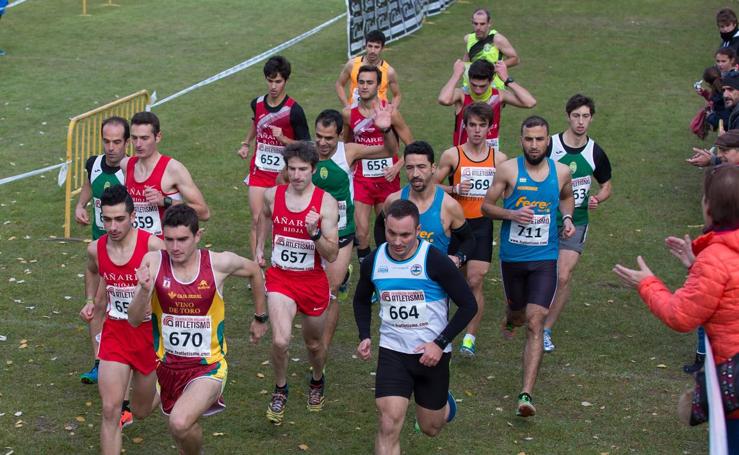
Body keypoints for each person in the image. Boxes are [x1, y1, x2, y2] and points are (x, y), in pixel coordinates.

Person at [613, 165, 739, 454]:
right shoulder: (714, 259)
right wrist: (697, 265)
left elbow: (680, 315)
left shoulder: (715, 260)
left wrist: (647, 284)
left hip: (735, 389)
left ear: (710, 207)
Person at [128, 204, 268, 454]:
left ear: (198, 236)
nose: (175, 247)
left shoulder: (218, 264)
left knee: (180, 423)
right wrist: (143, 290)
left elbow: (255, 271)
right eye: (168, 240)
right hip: (165, 364)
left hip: (207, 366)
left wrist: (260, 317)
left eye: (182, 239)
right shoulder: (153, 262)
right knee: (138, 411)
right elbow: (134, 320)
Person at [353, 199, 477, 454]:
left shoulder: (434, 261)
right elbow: (361, 300)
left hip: (431, 355)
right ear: (385, 227)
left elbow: (468, 305)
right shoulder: (374, 261)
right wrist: (364, 335)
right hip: (393, 352)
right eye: (392, 233)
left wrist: (439, 344)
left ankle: (445, 406)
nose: (398, 242)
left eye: (405, 235)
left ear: (418, 230)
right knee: (388, 423)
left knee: (431, 427)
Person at [481, 116, 575, 416]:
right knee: (518, 314)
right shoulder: (508, 170)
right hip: (513, 259)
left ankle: (525, 395)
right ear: (521, 140)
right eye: (528, 139)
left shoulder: (561, 172)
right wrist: (511, 215)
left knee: (536, 320)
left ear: (548, 141)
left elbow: (567, 198)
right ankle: (511, 317)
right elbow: (486, 206)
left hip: (545, 258)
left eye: (539, 139)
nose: (534, 145)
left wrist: (569, 218)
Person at [255, 141, 339, 425]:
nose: (297, 175)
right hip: (281, 278)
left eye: (303, 169)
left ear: (313, 169)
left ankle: (317, 379)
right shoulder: (272, 194)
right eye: (292, 169)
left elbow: (333, 252)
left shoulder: (325, 203)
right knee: (280, 340)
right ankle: (280, 389)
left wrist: (314, 233)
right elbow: (263, 217)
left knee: (314, 345)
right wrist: (259, 246)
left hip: (312, 281)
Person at [78, 185, 163, 455]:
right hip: (116, 331)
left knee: (140, 409)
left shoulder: (153, 246)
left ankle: (169, 386)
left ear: (133, 216)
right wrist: (91, 300)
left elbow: (176, 282)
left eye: (119, 219)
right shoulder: (96, 248)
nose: (112, 226)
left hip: (150, 335)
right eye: (107, 219)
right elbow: (92, 271)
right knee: (110, 409)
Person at [311, 106, 398, 350]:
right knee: (312, 289)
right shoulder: (307, 154)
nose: (322, 142)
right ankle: (345, 273)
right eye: (318, 135)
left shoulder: (348, 151)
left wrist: (386, 128)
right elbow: (284, 179)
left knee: (331, 290)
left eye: (328, 137)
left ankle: (323, 351)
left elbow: (390, 150)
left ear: (340, 135)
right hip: (312, 231)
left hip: (342, 230)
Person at [434, 102, 508, 358]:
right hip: (455, 224)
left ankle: (469, 337)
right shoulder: (452, 155)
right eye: (472, 125)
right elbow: (430, 185)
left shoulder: (499, 159)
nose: (477, 131)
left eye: (482, 125)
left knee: (476, 279)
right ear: (464, 126)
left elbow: (508, 190)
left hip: (481, 224)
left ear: (490, 127)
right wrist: (453, 190)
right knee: (451, 280)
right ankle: (445, 334)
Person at [542, 95, 613, 353]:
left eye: (585, 116)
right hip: (545, 219)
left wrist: (598, 197)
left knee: (563, 275)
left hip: (577, 221)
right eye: (576, 116)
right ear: (568, 116)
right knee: (542, 273)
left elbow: (607, 185)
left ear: (591, 118)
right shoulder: (550, 145)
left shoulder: (595, 151)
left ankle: (546, 329)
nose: (581, 122)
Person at [237, 56, 311, 258]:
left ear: (286, 81)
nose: (273, 86)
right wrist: (246, 143)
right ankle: (256, 266)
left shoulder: (294, 111)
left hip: (283, 174)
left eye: (278, 81)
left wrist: (284, 139)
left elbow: (307, 146)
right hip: (259, 171)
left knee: (278, 219)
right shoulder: (258, 103)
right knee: (256, 218)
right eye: (270, 80)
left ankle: (278, 261)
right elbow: (256, 123)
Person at [75, 116, 129, 385]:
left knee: (124, 309)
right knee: (95, 305)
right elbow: (89, 184)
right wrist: (80, 205)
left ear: (126, 143)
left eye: (117, 142)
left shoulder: (132, 171)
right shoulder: (93, 164)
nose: (111, 147)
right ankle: (98, 363)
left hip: (125, 254)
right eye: (107, 141)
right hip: (99, 250)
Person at [343, 65, 413, 265]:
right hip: (362, 179)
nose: (364, 86)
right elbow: (347, 144)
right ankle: (367, 273)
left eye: (370, 82)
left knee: (388, 229)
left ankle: (387, 267)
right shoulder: (349, 115)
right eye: (361, 82)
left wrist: (398, 166)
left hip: (387, 179)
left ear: (378, 86)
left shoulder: (391, 112)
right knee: (362, 232)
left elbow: (412, 145)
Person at [378, 141, 475, 267]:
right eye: (409, 167)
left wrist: (458, 259)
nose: (415, 174)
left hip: (434, 281)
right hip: (400, 276)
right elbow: (380, 226)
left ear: (433, 168)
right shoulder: (393, 200)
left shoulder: (449, 205)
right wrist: (383, 254)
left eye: (421, 167)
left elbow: (468, 240)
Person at [123, 112, 210, 238]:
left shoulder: (173, 169)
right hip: (135, 249)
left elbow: (204, 213)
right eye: (134, 138)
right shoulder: (126, 165)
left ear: (158, 137)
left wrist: (165, 201)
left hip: (165, 251)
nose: (138, 144)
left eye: (144, 138)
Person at [438, 59, 536, 154]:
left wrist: (506, 79)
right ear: (469, 78)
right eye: (474, 85)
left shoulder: (499, 96)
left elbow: (530, 102)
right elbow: (444, 99)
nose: (477, 90)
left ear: (491, 80)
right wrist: (456, 75)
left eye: (482, 86)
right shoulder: (462, 95)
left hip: (489, 161)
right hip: (462, 159)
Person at [335, 30, 402, 108]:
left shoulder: (389, 71)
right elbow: (339, 85)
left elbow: (397, 95)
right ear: (365, 46)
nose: (372, 51)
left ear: (382, 48)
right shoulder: (352, 64)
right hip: (355, 114)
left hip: (378, 116)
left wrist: (389, 112)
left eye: (376, 47)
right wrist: (347, 106)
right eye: (370, 46)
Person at [462, 8, 519, 89]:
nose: (478, 27)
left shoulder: (497, 39)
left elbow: (515, 59)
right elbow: (467, 59)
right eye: (475, 23)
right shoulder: (468, 38)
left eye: (482, 24)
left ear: (489, 23)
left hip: (495, 88)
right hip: (474, 87)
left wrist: (494, 68)